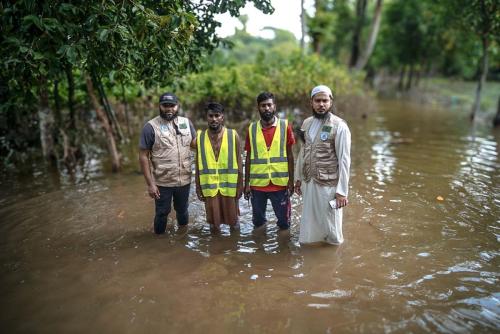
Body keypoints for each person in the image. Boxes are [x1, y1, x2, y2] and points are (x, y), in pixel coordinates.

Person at [294, 85, 351, 245]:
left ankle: (333, 258)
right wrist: (298, 178)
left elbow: (344, 160)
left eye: (325, 101)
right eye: (317, 101)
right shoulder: (307, 123)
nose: (321, 104)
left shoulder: (339, 126)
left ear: (330, 102)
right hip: (309, 182)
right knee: (309, 224)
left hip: (328, 185)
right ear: (311, 102)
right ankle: (310, 251)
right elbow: (303, 152)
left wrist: (342, 192)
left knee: (331, 228)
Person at [139, 92, 196, 234]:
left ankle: (183, 236)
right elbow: (143, 156)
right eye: (165, 106)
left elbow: (196, 145)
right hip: (163, 182)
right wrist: (150, 184)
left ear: (177, 106)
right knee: (162, 213)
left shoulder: (186, 123)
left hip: (184, 179)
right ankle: (158, 244)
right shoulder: (150, 127)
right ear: (159, 106)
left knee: (183, 210)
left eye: (172, 105)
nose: (169, 109)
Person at [244, 92, 295, 230]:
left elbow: (290, 156)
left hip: (280, 184)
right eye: (263, 106)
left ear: (274, 107)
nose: (266, 108)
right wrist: (246, 183)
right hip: (257, 185)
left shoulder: (285, 126)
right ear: (258, 108)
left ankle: (283, 250)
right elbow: (248, 157)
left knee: (284, 224)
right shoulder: (252, 129)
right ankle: (260, 249)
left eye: (269, 105)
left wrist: (291, 181)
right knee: (258, 223)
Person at [195, 102, 243, 232]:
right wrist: (198, 187)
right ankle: (216, 250)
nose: (214, 119)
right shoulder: (199, 138)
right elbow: (198, 164)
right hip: (210, 187)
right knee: (213, 223)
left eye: (217, 115)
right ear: (206, 117)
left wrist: (240, 186)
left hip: (229, 187)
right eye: (211, 116)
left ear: (222, 117)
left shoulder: (233, 135)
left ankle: (234, 249)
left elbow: (239, 162)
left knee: (234, 222)